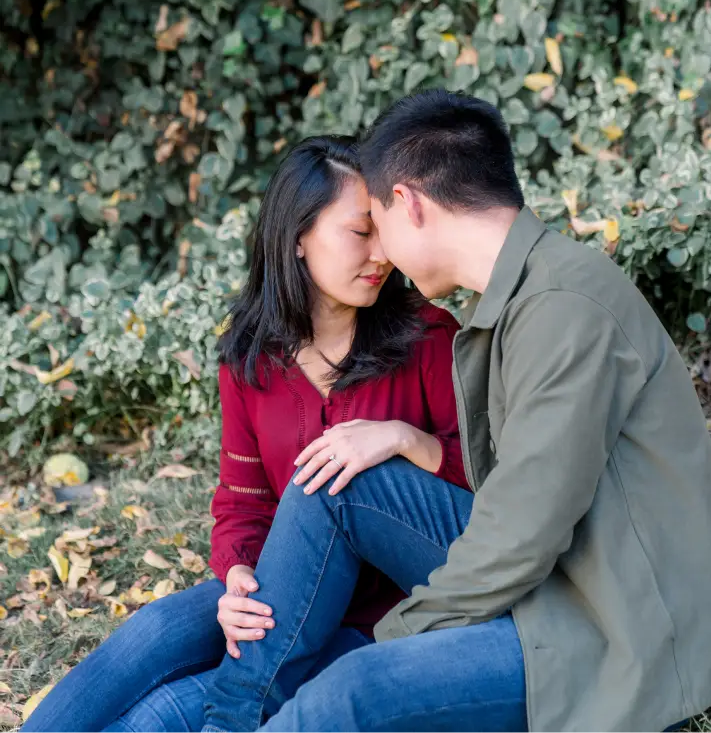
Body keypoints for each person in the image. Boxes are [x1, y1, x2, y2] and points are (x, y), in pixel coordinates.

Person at [200, 89, 711, 733]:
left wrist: (402, 638)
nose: (381, 254)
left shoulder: (563, 309)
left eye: (376, 225)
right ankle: (228, 718)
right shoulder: (528, 294)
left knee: (351, 688)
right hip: (564, 578)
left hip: (611, 627)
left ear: (408, 204)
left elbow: (523, 535)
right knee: (336, 477)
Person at [22, 135, 469, 733]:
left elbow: (479, 480)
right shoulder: (251, 360)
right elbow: (243, 501)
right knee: (158, 630)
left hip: (383, 607)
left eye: (382, 230)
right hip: (286, 583)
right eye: (360, 232)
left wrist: (401, 438)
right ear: (297, 238)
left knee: (169, 709)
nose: (381, 252)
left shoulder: (426, 336)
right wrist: (236, 578)